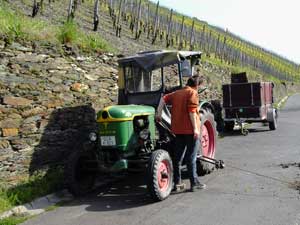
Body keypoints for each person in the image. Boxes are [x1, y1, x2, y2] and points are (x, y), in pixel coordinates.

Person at [156, 75, 206, 192]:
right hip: (190, 131)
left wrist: (159, 113)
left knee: (177, 157)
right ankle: (194, 183)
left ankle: (177, 183)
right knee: (191, 157)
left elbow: (163, 99)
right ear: (197, 85)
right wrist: (195, 129)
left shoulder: (176, 93)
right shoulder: (192, 93)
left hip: (177, 130)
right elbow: (192, 112)